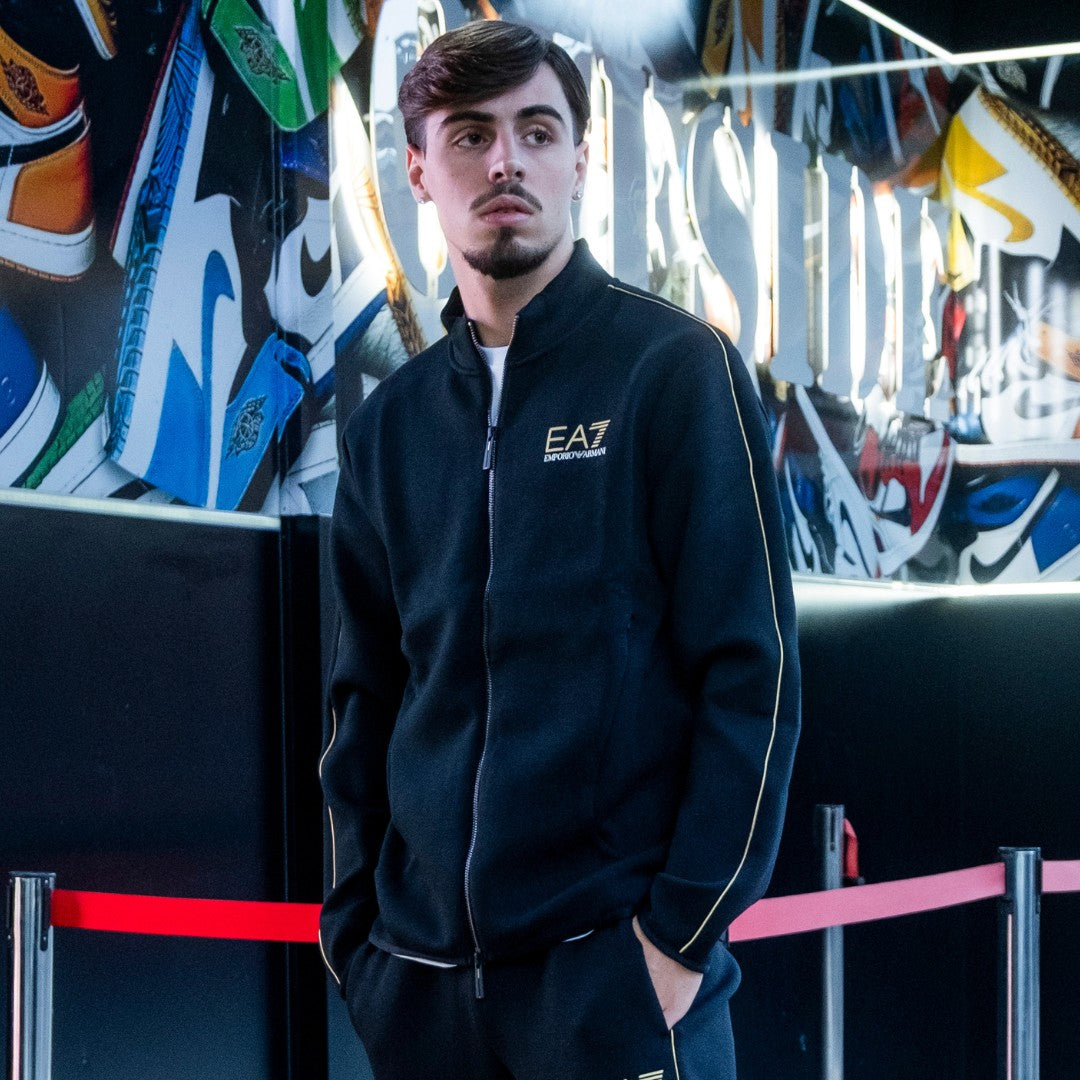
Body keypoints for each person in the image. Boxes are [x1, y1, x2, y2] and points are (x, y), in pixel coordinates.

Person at [320, 19, 800, 1080]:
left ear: (579, 159)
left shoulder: (675, 373)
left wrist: (674, 945)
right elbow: (366, 705)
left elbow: (752, 679)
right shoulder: (392, 427)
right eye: (470, 135)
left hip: (615, 992)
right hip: (423, 1003)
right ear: (417, 169)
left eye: (537, 132)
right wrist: (357, 944)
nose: (507, 161)